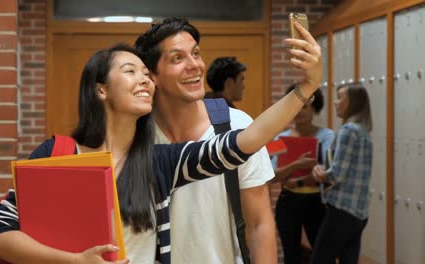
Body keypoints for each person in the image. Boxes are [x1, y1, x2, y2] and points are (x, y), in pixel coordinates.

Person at [0, 38, 322, 264]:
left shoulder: (160, 162)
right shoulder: (58, 153)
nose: (145, 80)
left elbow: (245, 141)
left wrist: (307, 86)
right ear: (100, 89)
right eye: (130, 72)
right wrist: (75, 261)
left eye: (147, 74)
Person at [134, 17, 321, 263]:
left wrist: (308, 85)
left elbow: (259, 223)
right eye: (177, 58)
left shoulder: (235, 124)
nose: (194, 65)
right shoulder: (137, 136)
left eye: (196, 54)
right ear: (152, 76)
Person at [270, 84, 334, 264]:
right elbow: (272, 176)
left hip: (317, 203)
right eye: (296, 106)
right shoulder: (279, 139)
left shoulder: (327, 136)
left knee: (322, 255)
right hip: (287, 203)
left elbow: (329, 173)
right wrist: (296, 165)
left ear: (315, 107)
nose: (300, 111)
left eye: (304, 106)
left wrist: (297, 180)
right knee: (291, 256)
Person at [310, 83, 373, 264]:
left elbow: (336, 174)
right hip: (359, 213)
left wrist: (319, 172)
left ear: (353, 103)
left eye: (340, 98)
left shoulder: (347, 131)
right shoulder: (363, 132)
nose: (336, 103)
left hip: (341, 211)